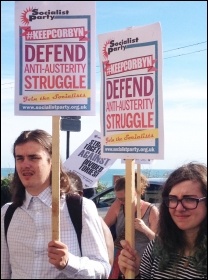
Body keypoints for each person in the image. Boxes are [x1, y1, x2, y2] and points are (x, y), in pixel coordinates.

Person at [1, 129, 111, 279]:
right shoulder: (7, 213)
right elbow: (4, 271)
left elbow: (103, 269)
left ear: (51, 162)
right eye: (20, 158)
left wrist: (69, 263)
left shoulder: (80, 208)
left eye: (33, 158)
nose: (25, 164)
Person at [118, 162, 207, 279]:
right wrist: (133, 274)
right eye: (173, 199)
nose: (179, 208)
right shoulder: (156, 248)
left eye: (189, 199)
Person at [104, 174, 159, 278]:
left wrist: (144, 229)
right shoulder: (118, 205)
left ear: (136, 193)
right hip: (120, 260)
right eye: (118, 198)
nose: (121, 202)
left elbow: (158, 243)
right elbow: (103, 227)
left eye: (124, 199)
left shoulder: (151, 210)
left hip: (143, 263)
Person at [66, 170, 114, 266]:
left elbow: (107, 262)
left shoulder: (96, 220)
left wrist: (68, 263)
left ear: (80, 195)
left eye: (67, 196)